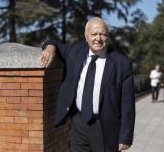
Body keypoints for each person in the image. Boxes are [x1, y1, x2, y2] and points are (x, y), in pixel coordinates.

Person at [40, 17, 135, 152]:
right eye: (94, 34)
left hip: (105, 126)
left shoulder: (122, 63)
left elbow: (128, 104)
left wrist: (125, 137)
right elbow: (54, 43)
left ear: (108, 36)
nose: (98, 38)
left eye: (102, 34)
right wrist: (50, 48)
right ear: (86, 37)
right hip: (79, 122)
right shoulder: (76, 51)